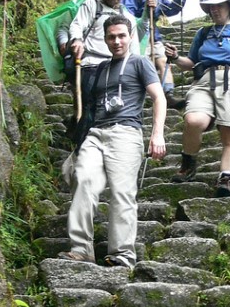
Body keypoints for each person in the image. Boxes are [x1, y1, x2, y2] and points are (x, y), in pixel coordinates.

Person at [59, 15, 167, 268]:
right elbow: (68, 74)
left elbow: (159, 98)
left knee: (121, 193)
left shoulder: (141, 63)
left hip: (126, 133)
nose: (116, 41)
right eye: (111, 37)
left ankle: (122, 254)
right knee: (83, 179)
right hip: (96, 133)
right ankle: (81, 248)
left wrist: (157, 133)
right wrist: (74, 48)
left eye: (121, 36)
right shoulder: (99, 70)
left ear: (130, 37)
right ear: (105, 39)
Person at [164, 0, 230, 198]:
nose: (214, 10)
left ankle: (226, 179)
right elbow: (190, 63)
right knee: (193, 120)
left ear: (229, 7)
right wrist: (174, 57)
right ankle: (188, 164)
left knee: (229, 131)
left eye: (219, 6)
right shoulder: (203, 33)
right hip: (204, 79)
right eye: (211, 7)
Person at [68, 0, 141, 96]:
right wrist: (77, 40)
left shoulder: (129, 18)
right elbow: (77, 26)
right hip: (91, 65)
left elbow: (134, 49)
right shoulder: (91, 6)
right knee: (90, 110)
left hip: (119, 68)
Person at [123, 0, 186, 107]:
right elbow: (127, 13)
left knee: (163, 60)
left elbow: (173, 9)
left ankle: (168, 94)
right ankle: (138, 96)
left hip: (154, 35)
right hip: (138, 36)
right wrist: (145, 10)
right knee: (141, 64)